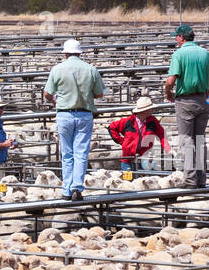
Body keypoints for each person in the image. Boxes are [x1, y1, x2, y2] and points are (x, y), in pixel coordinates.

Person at [43, 38, 105, 200]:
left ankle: (66, 190)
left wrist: (56, 99)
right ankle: (77, 187)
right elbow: (100, 93)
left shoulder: (57, 69)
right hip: (84, 114)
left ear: (65, 54)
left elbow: (47, 93)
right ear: (79, 53)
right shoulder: (91, 69)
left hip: (64, 114)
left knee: (67, 153)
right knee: (81, 152)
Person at [164, 23, 209, 188]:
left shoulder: (179, 54)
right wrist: (207, 95)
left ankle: (191, 179)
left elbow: (171, 80)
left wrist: (168, 92)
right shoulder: (204, 53)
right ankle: (201, 179)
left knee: (187, 141)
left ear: (181, 37)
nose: (176, 40)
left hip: (185, 100)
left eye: (176, 37)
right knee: (200, 139)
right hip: (203, 100)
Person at [108, 96, 171, 172]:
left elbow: (162, 135)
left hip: (145, 156)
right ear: (145, 110)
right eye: (150, 108)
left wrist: (168, 149)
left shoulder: (153, 122)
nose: (152, 110)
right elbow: (111, 127)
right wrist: (122, 142)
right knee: (127, 181)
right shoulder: (128, 122)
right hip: (128, 158)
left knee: (146, 180)